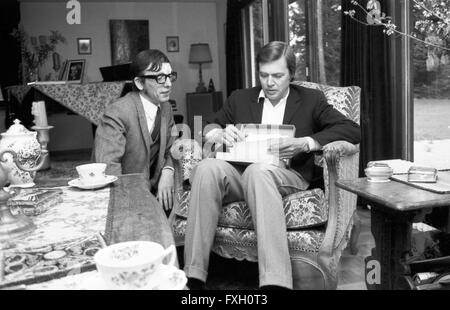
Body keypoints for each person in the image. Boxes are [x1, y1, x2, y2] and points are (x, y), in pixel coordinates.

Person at [184, 41, 361, 290]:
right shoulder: (240, 98)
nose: (270, 82)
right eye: (264, 75)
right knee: (205, 168)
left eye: (278, 76)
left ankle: (275, 283)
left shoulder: (311, 99)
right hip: (242, 172)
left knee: (259, 172)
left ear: (291, 74)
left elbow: (352, 129)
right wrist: (216, 134)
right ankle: (193, 277)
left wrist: (306, 143)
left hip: (288, 174)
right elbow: (210, 124)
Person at [94, 49, 178, 211]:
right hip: (122, 199)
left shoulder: (166, 108)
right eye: (159, 77)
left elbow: (173, 149)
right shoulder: (117, 112)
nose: (168, 83)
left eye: (170, 76)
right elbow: (109, 168)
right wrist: (133, 204)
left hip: (154, 192)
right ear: (139, 83)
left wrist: (168, 171)